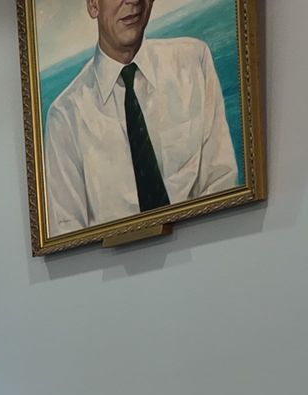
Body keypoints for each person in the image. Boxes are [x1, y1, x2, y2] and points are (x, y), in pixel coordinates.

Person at [44, 0, 238, 235]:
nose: (133, 1)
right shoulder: (65, 117)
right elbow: (67, 233)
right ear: (93, 5)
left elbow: (221, 181)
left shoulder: (193, 62)